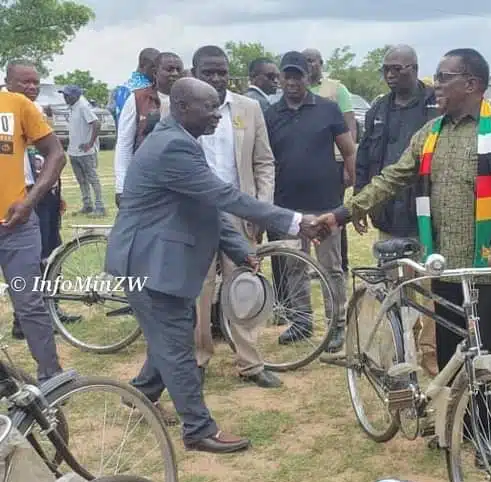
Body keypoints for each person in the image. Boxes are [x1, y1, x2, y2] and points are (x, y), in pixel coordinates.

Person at [318, 48, 491, 465]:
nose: (436, 86)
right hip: (442, 266)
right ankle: (453, 427)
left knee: (485, 358)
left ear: (470, 84)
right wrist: (344, 213)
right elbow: (392, 178)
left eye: (444, 77)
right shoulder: (430, 132)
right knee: (451, 357)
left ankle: (487, 438)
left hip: (485, 267)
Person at [105, 77, 328, 454]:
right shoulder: (173, 146)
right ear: (180, 107)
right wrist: (295, 221)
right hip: (150, 263)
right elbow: (222, 196)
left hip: (154, 260)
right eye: (208, 108)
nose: (217, 116)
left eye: (218, 106)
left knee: (172, 333)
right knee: (177, 344)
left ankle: (141, 393)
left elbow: (206, 204)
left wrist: (239, 248)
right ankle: (198, 429)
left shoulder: (181, 141)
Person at [191, 45, 281, 389]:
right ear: (193, 73)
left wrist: (262, 207)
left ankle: (250, 363)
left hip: (238, 212)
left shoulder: (249, 108)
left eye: (221, 72)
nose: (215, 78)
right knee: (199, 289)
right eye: (207, 72)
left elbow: (264, 162)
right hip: (195, 215)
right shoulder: (178, 108)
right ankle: (199, 359)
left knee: (243, 285)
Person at [264, 51, 357, 354]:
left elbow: (348, 148)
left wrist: (350, 176)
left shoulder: (328, 109)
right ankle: (302, 320)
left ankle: (337, 324)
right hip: (287, 205)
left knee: (331, 267)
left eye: (298, 75)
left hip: (325, 203)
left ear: (308, 77)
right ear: (280, 78)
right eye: (287, 76)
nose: (292, 82)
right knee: (294, 266)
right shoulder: (270, 114)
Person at [355, 44, 439, 375]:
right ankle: (400, 349)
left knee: (430, 284)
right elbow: (364, 158)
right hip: (389, 213)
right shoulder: (378, 108)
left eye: (397, 69)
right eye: (386, 69)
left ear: (414, 68)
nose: (390, 75)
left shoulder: (435, 104)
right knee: (393, 286)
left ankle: (429, 348)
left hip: (426, 214)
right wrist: (361, 198)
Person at [4, 60, 79, 339]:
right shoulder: (9, 109)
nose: (32, 87)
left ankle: (50, 309)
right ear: (9, 82)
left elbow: (51, 156)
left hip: (42, 192)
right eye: (25, 82)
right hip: (22, 197)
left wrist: (55, 193)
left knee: (51, 252)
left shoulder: (33, 110)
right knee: (32, 258)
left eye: (36, 82)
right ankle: (26, 319)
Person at [0, 87, 66, 383]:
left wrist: (30, 201)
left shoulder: (15, 105)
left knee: (29, 304)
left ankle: (52, 380)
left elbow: (56, 153)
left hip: (16, 226)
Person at [302, 48, 356, 274]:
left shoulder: (336, 89)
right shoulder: (297, 88)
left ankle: (338, 265)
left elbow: (350, 125)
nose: (309, 65)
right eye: (305, 61)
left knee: (334, 216)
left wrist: (347, 164)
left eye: (312, 61)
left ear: (321, 63)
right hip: (306, 165)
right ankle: (311, 265)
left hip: (333, 162)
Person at [114, 52, 183, 208]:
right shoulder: (137, 99)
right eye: (169, 69)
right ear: (155, 73)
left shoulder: (189, 100)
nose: (175, 74)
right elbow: (124, 144)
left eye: (178, 70)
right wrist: (121, 186)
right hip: (145, 182)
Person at [60, 84, 106, 217]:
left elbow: (96, 123)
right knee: (82, 180)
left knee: (92, 179)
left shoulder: (82, 107)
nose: (65, 97)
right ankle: (87, 205)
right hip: (74, 151)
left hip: (85, 153)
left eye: (67, 95)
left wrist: (90, 143)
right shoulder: (73, 108)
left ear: (75, 95)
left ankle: (100, 206)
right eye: (64, 94)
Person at [109, 48, 159, 124]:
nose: (157, 70)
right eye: (153, 67)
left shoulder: (119, 90)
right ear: (142, 66)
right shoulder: (144, 90)